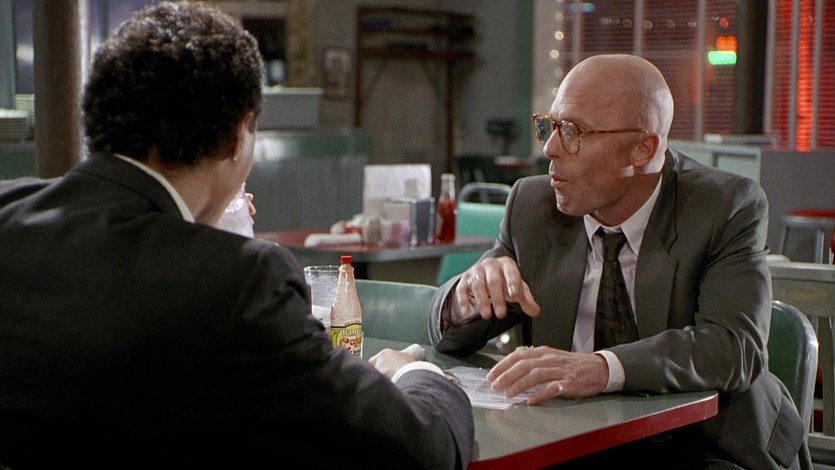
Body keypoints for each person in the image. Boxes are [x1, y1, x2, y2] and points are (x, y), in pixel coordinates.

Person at [0, 3, 473, 469]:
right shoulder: (241, 281)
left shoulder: (8, 212)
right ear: (236, 135)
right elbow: (420, 450)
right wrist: (417, 373)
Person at [429, 54, 810, 469]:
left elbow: (733, 347)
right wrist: (466, 297)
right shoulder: (533, 205)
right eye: (549, 127)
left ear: (643, 149)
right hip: (576, 440)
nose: (550, 149)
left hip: (710, 445)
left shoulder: (724, 206)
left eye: (572, 131)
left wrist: (603, 369)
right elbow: (447, 333)